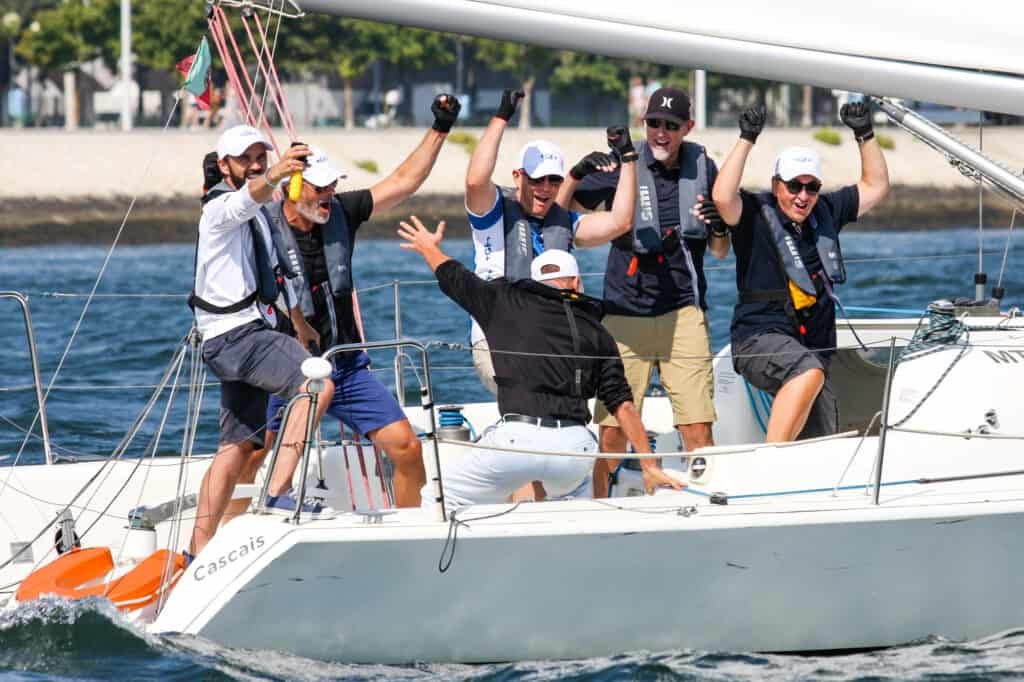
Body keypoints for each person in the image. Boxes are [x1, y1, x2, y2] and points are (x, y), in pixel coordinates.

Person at [398, 216, 684, 510]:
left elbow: (455, 277)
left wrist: (429, 248)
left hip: (514, 442)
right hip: (574, 448)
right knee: (576, 506)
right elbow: (623, 406)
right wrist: (649, 466)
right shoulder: (598, 331)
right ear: (576, 282)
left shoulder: (504, 300)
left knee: (437, 499)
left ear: (535, 283)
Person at [263, 94, 462, 508]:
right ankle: (213, 540)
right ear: (293, 186)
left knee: (407, 448)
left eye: (334, 186)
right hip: (284, 367)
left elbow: (404, 182)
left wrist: (440, 127)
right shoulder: (260, 226)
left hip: (346, 363)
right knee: (252, 455)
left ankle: (407, 530)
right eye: (321, 188)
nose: (330, 195)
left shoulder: (341, 212)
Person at [558, 86, 730, 497]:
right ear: (643, 123)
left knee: (696, 426)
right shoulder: (622, 166)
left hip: (683, 311)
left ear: (688, 127)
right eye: (655, 123)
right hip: (622, 313)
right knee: (613, 432)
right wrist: (576, 174)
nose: (661, 133)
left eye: (672, 126)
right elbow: (559, 216)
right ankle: (600, 503)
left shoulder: (703, 167)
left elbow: (722, 251)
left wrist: (719, 227)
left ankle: (705, 500)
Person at [188, 124, 336, 558]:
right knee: (316, 384)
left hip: (240, 335)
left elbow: (274, 274)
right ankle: (277, 491)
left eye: (260, 155)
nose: (254, 163)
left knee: (238, 445)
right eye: (245, 158)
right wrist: (274, 174)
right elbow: (243, 201)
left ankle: (197, 550)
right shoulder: (219, 210)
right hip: (236, 336)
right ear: (223, 166)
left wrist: (299, 323)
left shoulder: (257, 214)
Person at [711, 102, 890, 441]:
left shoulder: (826, 211)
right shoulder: (753, 213)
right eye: (794, 186)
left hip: (813, 349)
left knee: (823, 435)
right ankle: (770, 460)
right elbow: (722, 197)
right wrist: (747, 137)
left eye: (811, 187)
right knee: (805, 370)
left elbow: (876, 186)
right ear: (777, 184)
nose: (803, 196)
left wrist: (864, 134)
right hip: (759, 339)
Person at [465, 88, 637, 394]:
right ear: (518, 177)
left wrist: (628, 158)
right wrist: (502, 116)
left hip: (552, 337)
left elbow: (620, 221)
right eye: (537, 179)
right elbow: (475, 180)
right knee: (530, 397)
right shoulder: (492, 213)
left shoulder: (565, 221)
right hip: (498, 338)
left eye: (554, 180)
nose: (545, 188)